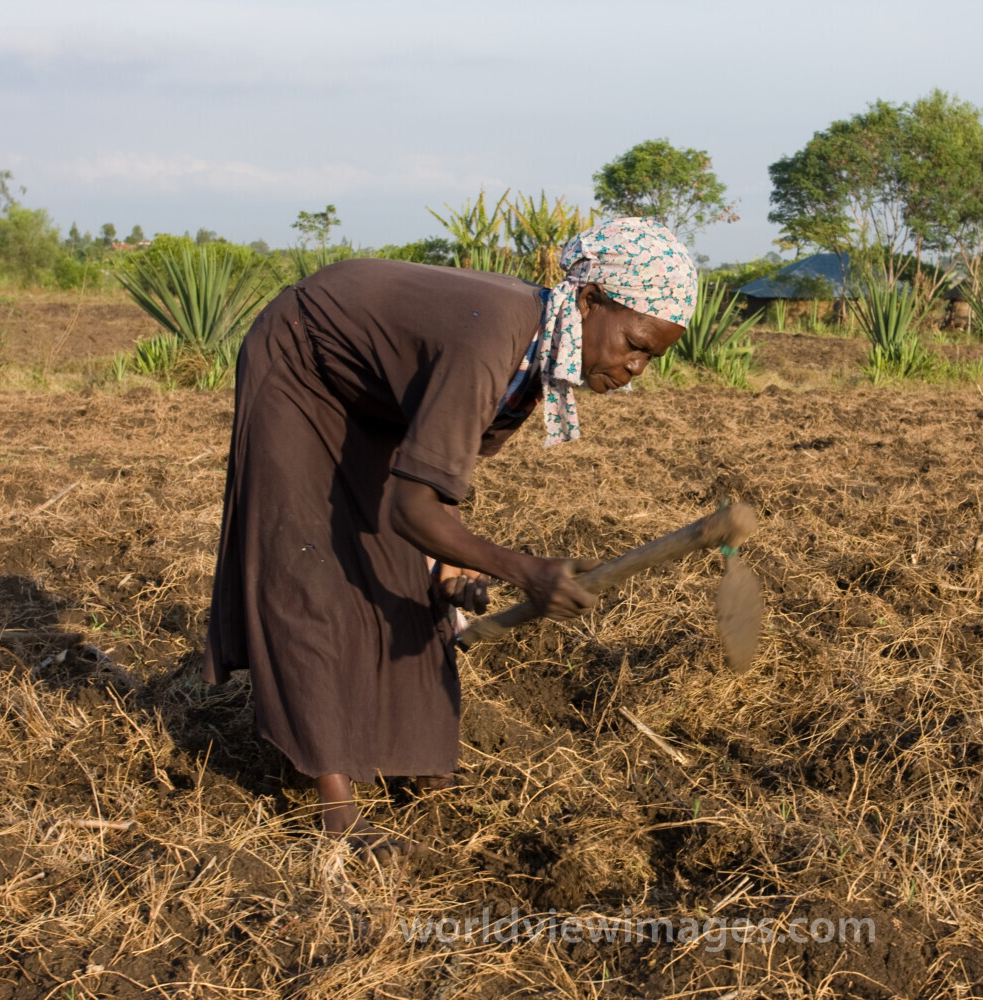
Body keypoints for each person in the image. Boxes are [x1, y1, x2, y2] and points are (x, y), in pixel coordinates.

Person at [202, 218, 696, 856]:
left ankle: (421, 766)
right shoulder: (493, 337)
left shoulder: (534, 362)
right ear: (589, 300)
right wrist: (526, 571)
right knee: (312, 563)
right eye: (634, 343)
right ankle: (336, 811)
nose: (634, 368)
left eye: (651, 357)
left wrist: (441, 567)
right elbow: (413, 508)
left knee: (402, 576)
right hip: (303, 359)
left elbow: (430, 485)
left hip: (375, 392)